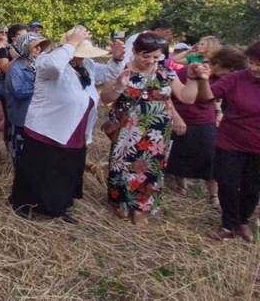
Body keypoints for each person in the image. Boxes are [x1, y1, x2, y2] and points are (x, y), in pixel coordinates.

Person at [11, 27, 125, 223]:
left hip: (75, 129)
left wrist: (116, 59)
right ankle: (26, 205)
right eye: (78, 54)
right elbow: (54, 67)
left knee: (66, 170)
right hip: (47, 128)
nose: (81, 58)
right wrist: (71, 43)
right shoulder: (47, 60)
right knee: (41, 169)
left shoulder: (87, 65)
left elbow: (108, 73)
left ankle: (58, 206)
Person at [102, 32, 209, 226]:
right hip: (128, 132)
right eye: (146, 56)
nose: (150, 61)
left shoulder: (166, 73)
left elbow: (187, 98)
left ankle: (142, 206)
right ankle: (121, 202)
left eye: (156, 57)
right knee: (124, 167)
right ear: (134, 51)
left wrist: (193, 78)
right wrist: (119, 85)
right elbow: (106, 98)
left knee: (150, 170)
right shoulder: (122, 69)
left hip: (157, 133)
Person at [199, 42, 260, 242]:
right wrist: (203, 80)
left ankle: (242, 220)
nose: (253, 68)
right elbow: (209, 96)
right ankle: (228, 225)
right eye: (251, 62)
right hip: (230, 141)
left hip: (257, 147)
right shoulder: (236, 78)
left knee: (252, 187)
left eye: (259, 64)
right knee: (227, 182)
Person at [165, 37, 226, 203]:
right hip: (184, 117)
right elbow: (167, 96)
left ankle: (213, 195)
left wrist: (218, 111)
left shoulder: (216, 75)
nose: (203, 65)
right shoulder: (182, 72)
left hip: (205, 120)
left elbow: (215, 97)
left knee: (210, 157)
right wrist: (176, 117)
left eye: (208, 62)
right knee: (179, 155)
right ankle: (182, 186)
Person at [3, 32, 50, 165]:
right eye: (35, 47)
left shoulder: (35, 66)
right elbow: (18, 92)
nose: (39, 49)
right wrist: (39, 87)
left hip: (35, 118)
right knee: (21, 156)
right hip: (21, 119)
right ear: (25, 47)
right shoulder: (16, 68)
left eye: (40, 46)